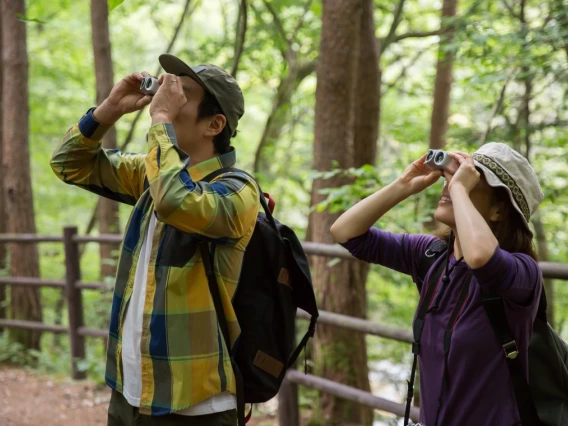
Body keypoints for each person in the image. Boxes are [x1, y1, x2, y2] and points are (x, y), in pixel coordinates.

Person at [51, 54, 260, 426]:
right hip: (129, 393)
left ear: (214, 124)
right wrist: (109, 109)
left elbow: (176, 201)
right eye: (168, 84)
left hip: (196, 406)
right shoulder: (154, 175)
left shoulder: (238, 190)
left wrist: (160, 120)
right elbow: (69, 164)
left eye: (184, 92)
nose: (169, 92)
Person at [330, 144, 544, 426]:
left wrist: (457, 190)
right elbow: (346, 233)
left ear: (498, 211)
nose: (449, 186)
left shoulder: (522, 273)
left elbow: (482, 258)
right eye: (449, 180)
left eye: (469, 182)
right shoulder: (431, 255)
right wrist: (404, 184)